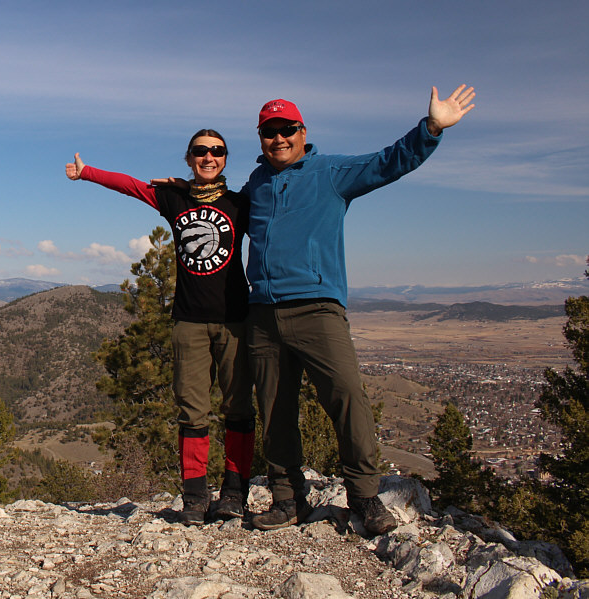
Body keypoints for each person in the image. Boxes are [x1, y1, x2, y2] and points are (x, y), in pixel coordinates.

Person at [243, 85, 476, 534]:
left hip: (317, 308)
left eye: (287, 129)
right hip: (263, 313)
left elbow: (388, 162)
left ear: (303, 132)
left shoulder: (331, 172)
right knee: (273, 411)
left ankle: (365, 498)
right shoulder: (256, 184)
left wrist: (431, 128)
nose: (279, 138)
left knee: (348, 398)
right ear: (261, 138)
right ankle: (287, 499)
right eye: (270, 132)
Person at [65, 130, 256, 525]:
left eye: (217, 151)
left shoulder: (240, 203)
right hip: (188, 322)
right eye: (201, 151)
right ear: (189, 158)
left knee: (238, 409)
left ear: (225, 158)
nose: (209, 157)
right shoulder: (174, 199)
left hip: (235, 320)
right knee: (192, 412)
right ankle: (195, 497)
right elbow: (132, 187)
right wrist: (88, 173)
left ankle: (235, 493)